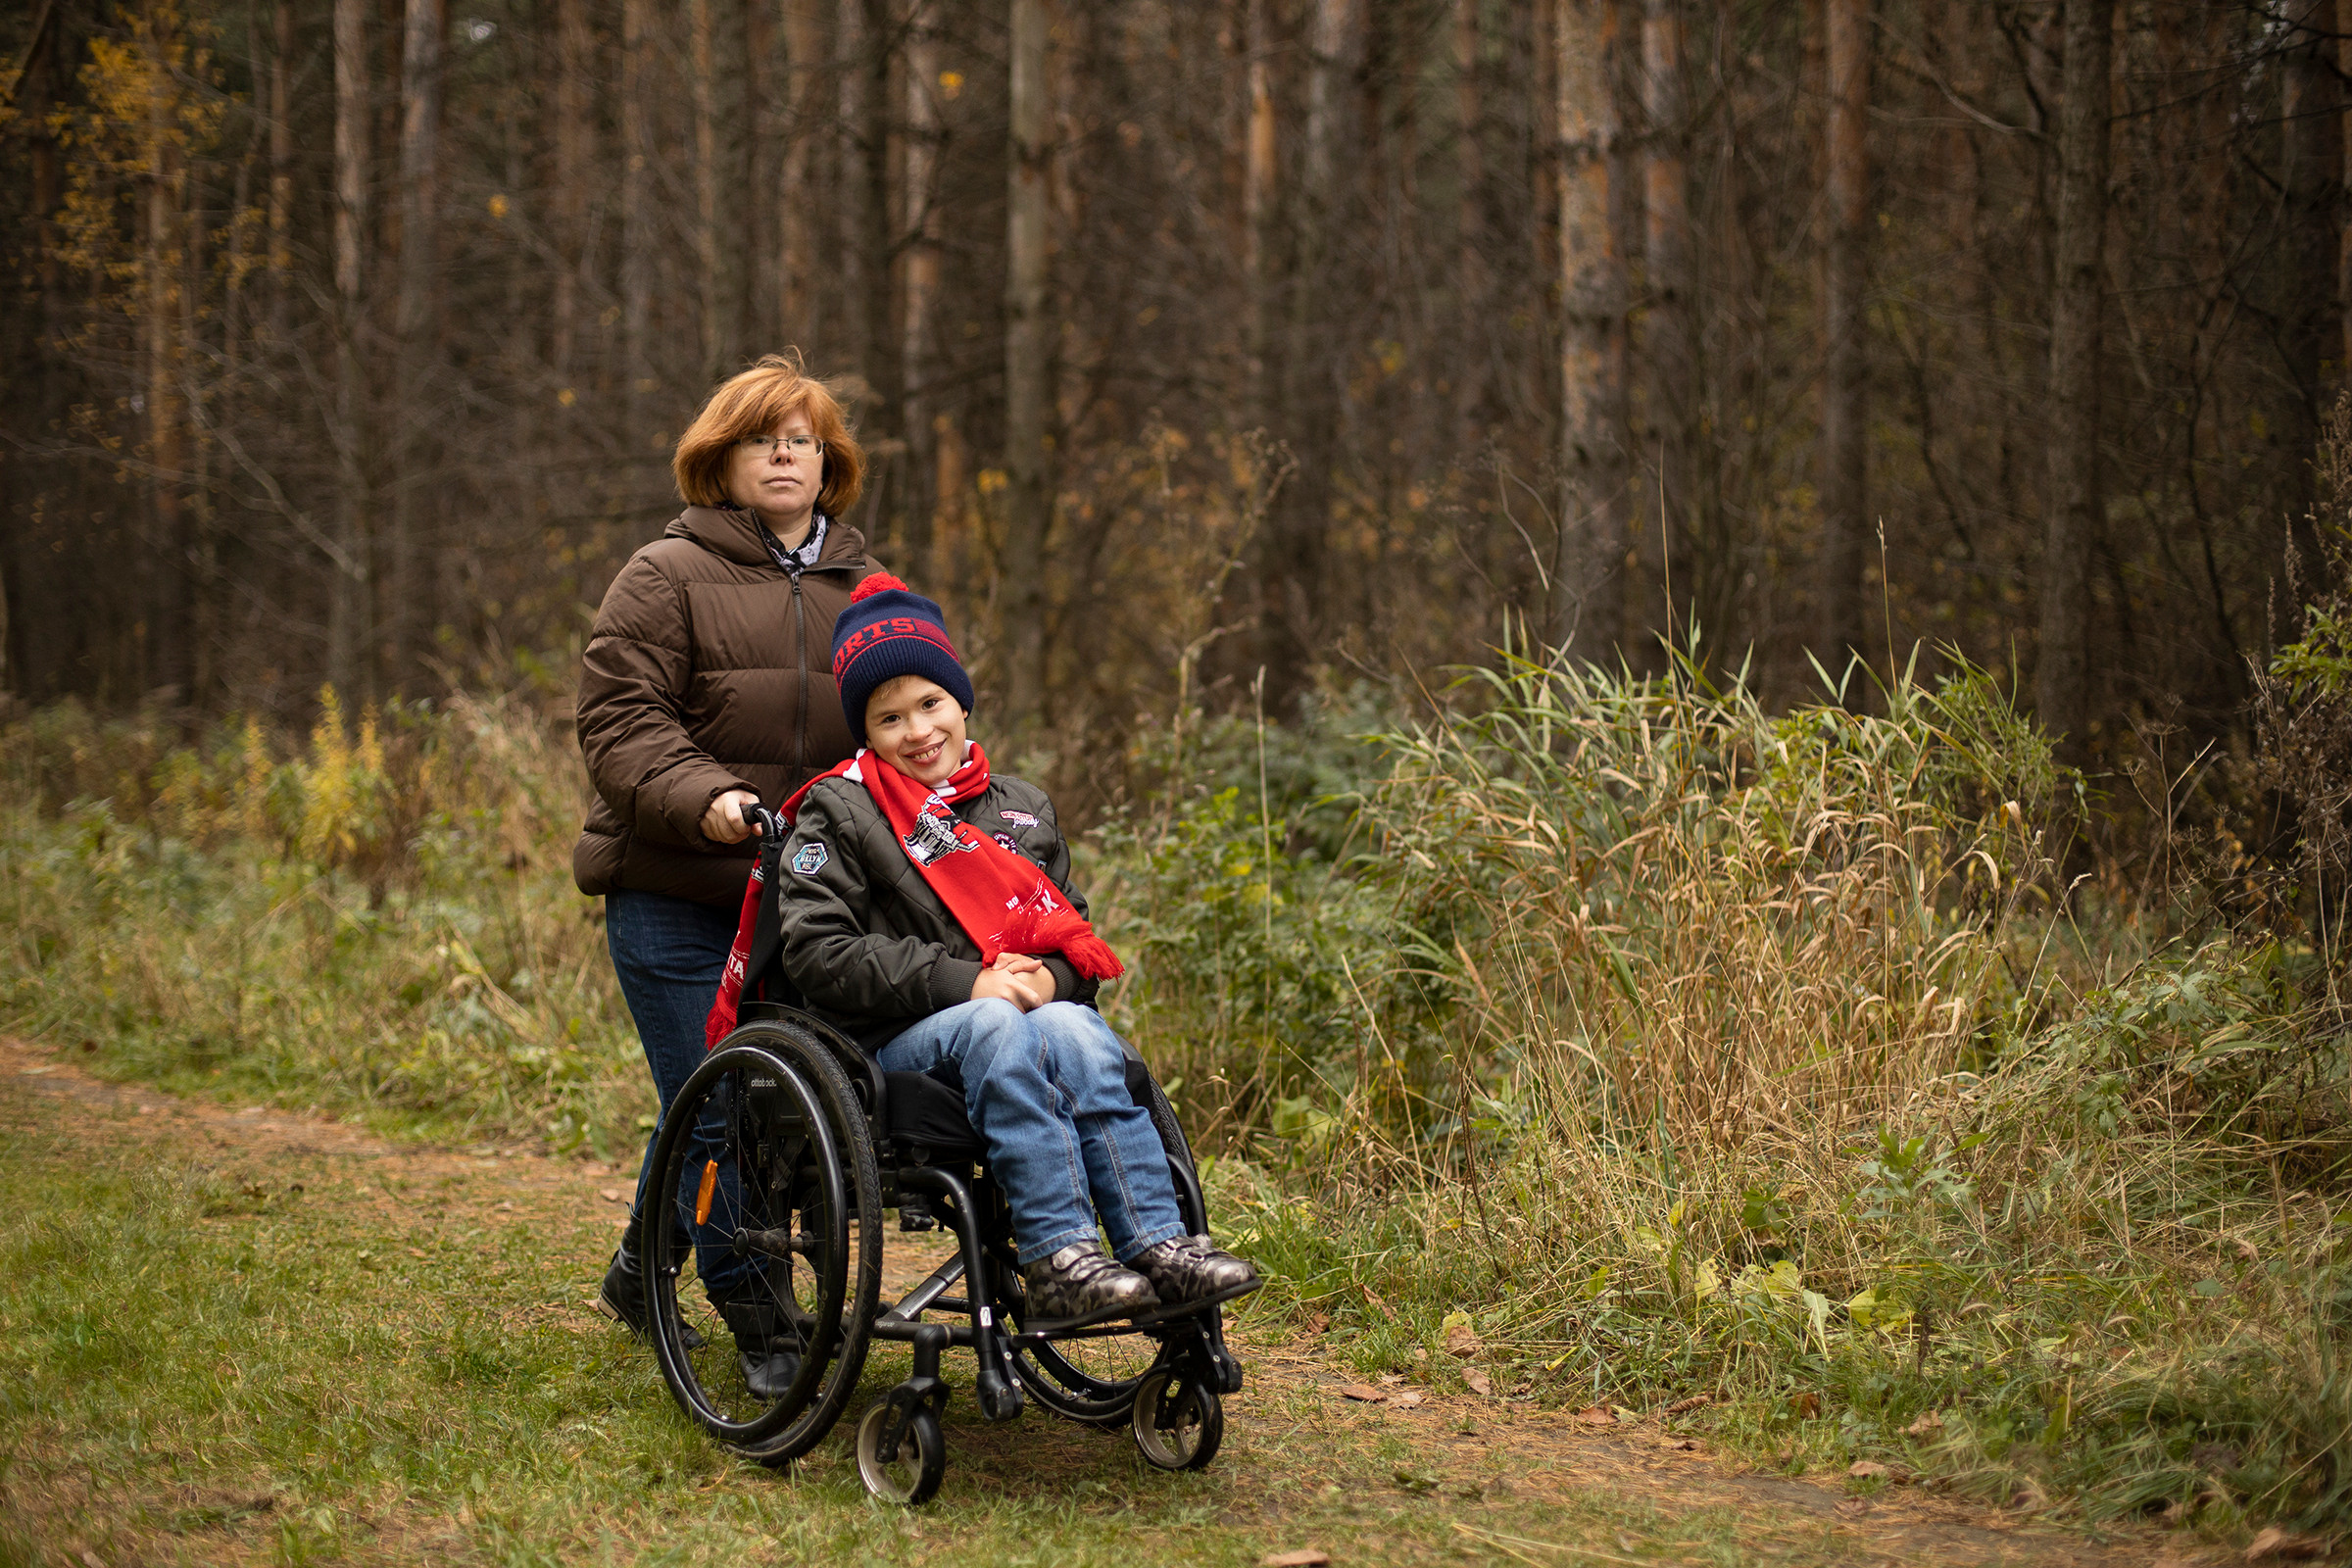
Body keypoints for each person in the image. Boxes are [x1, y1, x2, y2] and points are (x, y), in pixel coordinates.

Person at [755, 574, 1258, 1320]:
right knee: (995, 1022)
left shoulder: (1020, 808)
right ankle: (1058, 1254)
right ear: (866, 732)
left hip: (1017, 1025)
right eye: (889, 718)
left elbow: (1071, 938)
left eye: (931, 704)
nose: (918, 731)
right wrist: (969, 983)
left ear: (962, 701)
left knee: (1077, 1028)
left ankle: (1161, 1246)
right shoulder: (841, 809)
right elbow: (820, 954)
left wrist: (1051, 983)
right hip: (886, 1046)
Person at [573, 355, 881, 1391]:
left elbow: (912, 727)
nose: (786, 452)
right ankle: (767, 1326)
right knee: (727, 1112)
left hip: (807, 908)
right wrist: (704, 797)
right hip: (679, 896)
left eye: (803, 437)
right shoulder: (664, 576)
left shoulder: (870, 589)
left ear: (828, 460)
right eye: (763, 437)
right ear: (722, 458)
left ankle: (636, 1269)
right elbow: (620, 721)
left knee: (752, 1103)